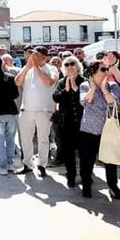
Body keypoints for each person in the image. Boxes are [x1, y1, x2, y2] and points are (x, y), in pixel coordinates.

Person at [78, 61, 120, 199]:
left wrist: (104, 89)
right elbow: (85, 102)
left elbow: (114, 103)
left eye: (107, 69)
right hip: (89, 130)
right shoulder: (85, 85)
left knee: (110, 160)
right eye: (103, 69)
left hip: (108, 130)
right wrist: (92, 88)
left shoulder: (113, 86)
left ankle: (113, 186)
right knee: (87, 160)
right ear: (93, 72)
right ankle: (86, 185)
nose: (106, 72)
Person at [15, 46, 58, 176]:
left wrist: (36, 68)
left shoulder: (52, 69)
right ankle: (27, 164)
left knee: (43, 139)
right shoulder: (27, 68)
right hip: (26, 109)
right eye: (31, 54)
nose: (31, 57)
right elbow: (17, 82)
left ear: (44, 57)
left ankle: (42, 165)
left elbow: (49, 82)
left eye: (35, 55)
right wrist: (27, 67)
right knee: (25, 139)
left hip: (44, 110)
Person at [52, 57, 85, 185]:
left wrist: (75, 87)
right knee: (68, 152)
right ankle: (70, 176)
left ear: (77, 66)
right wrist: (66, 89)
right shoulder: (61, 82)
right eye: (67, 64)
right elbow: (56, 98)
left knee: (84, 152)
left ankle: (85, 175)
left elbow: (85, 99)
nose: (70, 66)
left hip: (83, 122)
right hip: (66, 123)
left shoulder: (84, 81)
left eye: (73, 64)